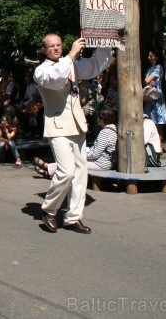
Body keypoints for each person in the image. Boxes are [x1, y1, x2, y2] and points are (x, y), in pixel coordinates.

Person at [34, 35, 113, 234]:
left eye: (59, 45)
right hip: (57, 125)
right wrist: (71, 54)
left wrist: (105, 41)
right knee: (66, 171)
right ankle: (49, 210)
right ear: (44, 50)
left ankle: (73, 217)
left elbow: (96, 65)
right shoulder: (41, 70)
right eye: (51, 46)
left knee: (80, 173)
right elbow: (56, 80)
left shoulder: (70, 63)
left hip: (77, 124)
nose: (56, 48)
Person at [34, 108, 119, 177]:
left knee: (73, 162)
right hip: (102, 161)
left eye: (98, 117)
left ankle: (47, 167)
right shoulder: (110, 130)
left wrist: (80, 155)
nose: (97, 119)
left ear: (102, 119)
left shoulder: (106, 132)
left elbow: (95, 154)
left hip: (101, 163)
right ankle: (48, 171)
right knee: (72, 158)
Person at [143, 49, 166, 141]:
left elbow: (147, 80)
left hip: (156, 96)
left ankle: (159, 143)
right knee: (150, 119)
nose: (149, 58)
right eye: (149, 56)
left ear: (156, 57)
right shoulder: (150, 68)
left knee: (158, 120)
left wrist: (149, 82)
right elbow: (146, 81)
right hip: (149, 96)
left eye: (151, 56)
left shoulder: (158, 67)